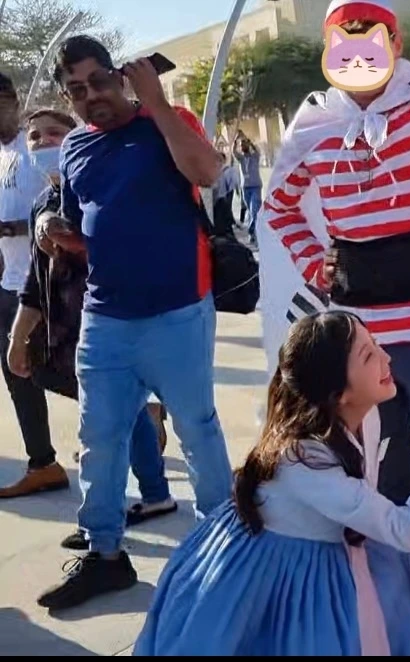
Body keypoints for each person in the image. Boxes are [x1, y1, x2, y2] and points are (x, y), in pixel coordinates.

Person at [135, 311, 410, 655]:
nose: (386, 358)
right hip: (276, 569)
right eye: (368, 355)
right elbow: (405, 530)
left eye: (376, 344)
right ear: (338, 393)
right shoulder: (303, 459)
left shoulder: (366, 415)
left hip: (330, 547)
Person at [260, 1, 410, 557]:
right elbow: (278, 204)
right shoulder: (314, 122)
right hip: (359, 332)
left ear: (395, 45)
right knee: (386, 465)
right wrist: (315, 263)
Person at [37, 35, 233, 611]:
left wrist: (158, 102)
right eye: (77, 90)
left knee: (197, 430)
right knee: (98, 440)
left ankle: (222, 548)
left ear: (120, 77)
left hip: (178, 311)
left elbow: (208, 170)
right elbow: (81, 223)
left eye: (99, 81)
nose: (91, 96)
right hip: (105, 319)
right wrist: (52, 226)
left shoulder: (164, 123)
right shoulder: (75, 147)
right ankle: (104, 554)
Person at [4, 108, 178, 543]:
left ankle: (100, 524)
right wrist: (19, 336)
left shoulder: (99, 187)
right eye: (35, 136)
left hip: (110, 322)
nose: (43, 143)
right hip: (72, 330)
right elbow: (36, 280)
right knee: (122, 415)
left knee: (100, 428)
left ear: (76, 137)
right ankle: (154, 494)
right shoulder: (43, 201)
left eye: (55, 133)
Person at [0, 73, 61, 498]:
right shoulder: (2, 155)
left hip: (49, 287)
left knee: (74, 373)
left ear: (11, 100)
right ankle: (43, 462)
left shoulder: (37, 149)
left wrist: (11, 227)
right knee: (17, 374)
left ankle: (145, 414)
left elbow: (63, 207)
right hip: (10, 283)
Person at [231, 133, 261, 247]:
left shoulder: (255, 157)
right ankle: (253, 233)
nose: (243, 146)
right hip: (245, 188)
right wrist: (235, 140)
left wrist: (249, 141)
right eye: (241, 145)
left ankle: (252, 232)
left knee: (254, 210)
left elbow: (256, 150)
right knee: (250, 211)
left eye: (244, 144)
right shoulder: (241, 159)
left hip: (255, 187)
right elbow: (233, 152)